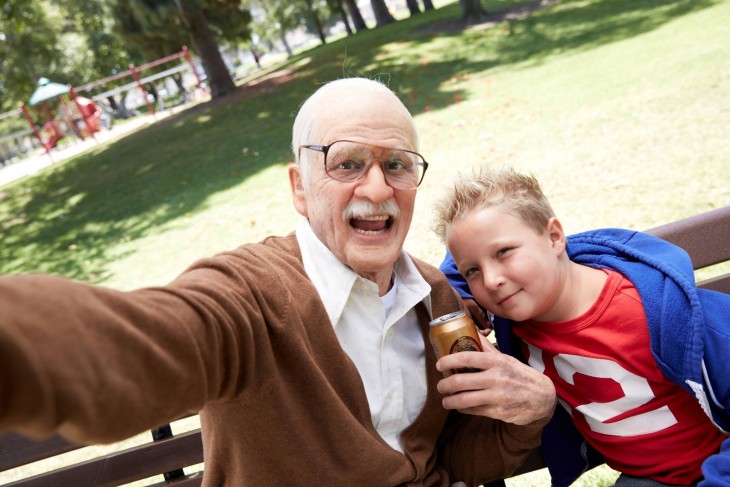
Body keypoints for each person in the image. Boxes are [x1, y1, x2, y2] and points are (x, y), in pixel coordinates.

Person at [0, 78, 555, 486]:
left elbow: (450, 462)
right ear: (300, 186)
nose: (378, 188)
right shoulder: (250, 297)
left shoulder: (433, 298)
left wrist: (529, 413)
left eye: (398, 164)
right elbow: (145, 345)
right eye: (347, 163)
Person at [435, 166, 730, 486]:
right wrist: (458, 293)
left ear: (554, 237)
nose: (492, 281)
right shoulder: (516, 315)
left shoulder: (660, 312)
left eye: (504, 252)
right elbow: (460, 258)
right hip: (645, 477)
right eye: (473, 271)